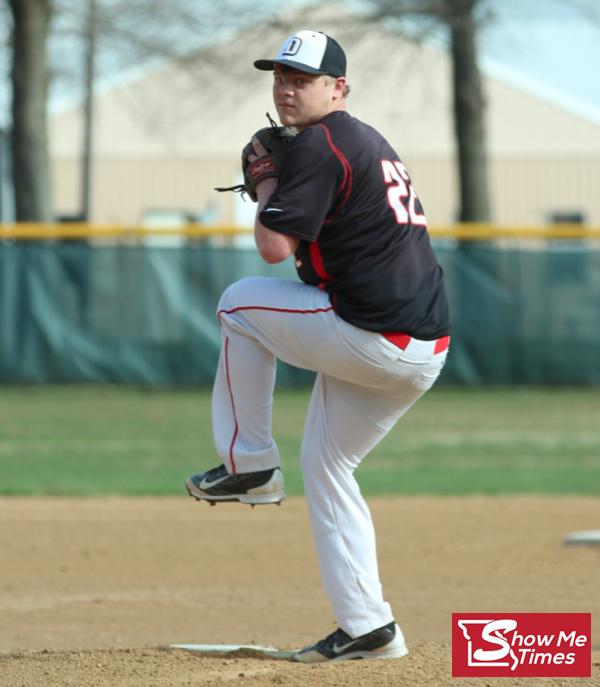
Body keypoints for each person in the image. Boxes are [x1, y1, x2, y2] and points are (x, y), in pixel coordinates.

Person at [186, 29, 450, 663]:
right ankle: (369, 628)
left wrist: (266, 183)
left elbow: (274, 248)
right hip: (423, 350)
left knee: (237, 304)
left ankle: (250, 463)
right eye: (279, 76)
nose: (285, 88)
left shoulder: (323, 144)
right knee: (329, 469)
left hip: (369, 335)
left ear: (338, 88)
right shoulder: (363, 139)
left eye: (300, 79)